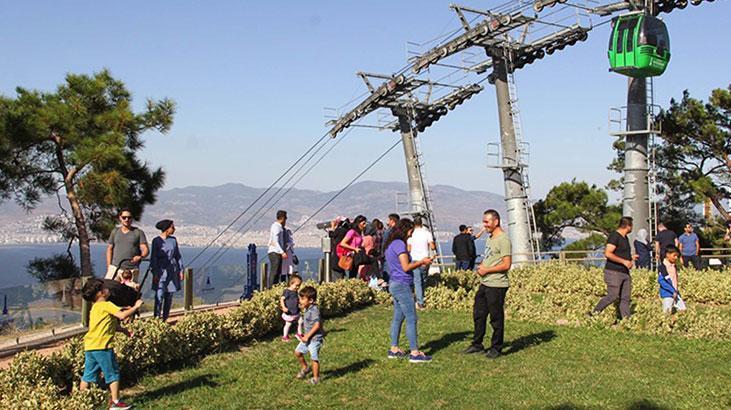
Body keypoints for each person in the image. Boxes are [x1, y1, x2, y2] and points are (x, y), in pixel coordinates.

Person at [80, 278, 144, 410]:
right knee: (113, 373)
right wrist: (136, 306)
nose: (108, 289)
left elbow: (109, 324)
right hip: (103, 347)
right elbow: (122, 316)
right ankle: (115, 402)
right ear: (100, 293)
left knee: (88, 374)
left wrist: (124, 330)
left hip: (91, 346)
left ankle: (81, 400)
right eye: (105, 288)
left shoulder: (95, 308)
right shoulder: (107, 305)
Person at [464, 210, 512, 359]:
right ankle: (477, 344)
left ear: (496, 221)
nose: (484, 225)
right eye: (483, 222)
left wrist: (487, 270)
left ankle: (496, 347)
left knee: (496, 318)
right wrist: (482, 267)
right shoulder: (490, 238)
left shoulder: (503, 239)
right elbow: (491, 258)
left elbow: (506, 264)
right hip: (485, 283)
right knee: (479, 314)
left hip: (497, 285)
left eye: (486, 222)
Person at [385, 218, 433, 363]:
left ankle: (394, 348)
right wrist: (421, 262)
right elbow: (406, 267)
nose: (411, 234)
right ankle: (415, 353)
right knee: (412, 318)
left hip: (394, 283)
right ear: (405, 229)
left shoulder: (391, 244)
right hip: (402, 285)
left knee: (398, 317)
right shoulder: (400, 244)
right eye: (410, 231)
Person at [589, 216, 635, 320]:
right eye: (631, 225)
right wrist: (624, 261)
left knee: (625, 298)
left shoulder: (625, 238)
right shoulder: (615, 236)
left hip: (625, 272)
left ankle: (626, 320)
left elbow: (620, 253)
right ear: (628, 226)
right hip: (614, 272)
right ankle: (594, 313)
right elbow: (608, 253)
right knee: (613, 296)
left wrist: (630, 258)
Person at [150, 219, 184, 321]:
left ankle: (165, 318)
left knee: (169, 296)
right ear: (167, 228)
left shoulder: (173, 240)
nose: (174, 229)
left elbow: (177, 255)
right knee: (159, 295)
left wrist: (181, 269)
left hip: (172, 270)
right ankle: (156, 318)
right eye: (172, 227)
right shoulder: (156, 241)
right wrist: (155, 272)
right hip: (161, 271)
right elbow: (153, 257)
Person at [106, 208, 148, 280]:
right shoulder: (115, 232)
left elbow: (145, 249)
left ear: (132, 219)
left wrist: (141, 256)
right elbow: (109, 249)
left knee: (130, 290)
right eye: (124, 217)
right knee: (108, 288)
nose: (126, 219)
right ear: (120, 218)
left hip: (131, 269)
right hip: (115, 268)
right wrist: (109, 267)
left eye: (129, 217)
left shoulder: (138, 232)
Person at [294, 285, 324, 384]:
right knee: (298, 352)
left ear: (311, 300)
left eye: (302, 299)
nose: (300, 301)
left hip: (314, 339)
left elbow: (317, 324)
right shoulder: (307, 308)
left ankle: (316, 378)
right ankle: (305, 368)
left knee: (314, 358)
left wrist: (307, 336)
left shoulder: (314, 310)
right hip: (307, 339)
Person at [407, 216, 435, 309]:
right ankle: (421, 298)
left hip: (414, 260)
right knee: (423, 280)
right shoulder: (427, 233)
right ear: (422, 223)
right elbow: (432, 246)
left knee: (417, 281)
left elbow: (409, 248)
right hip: (425, 259)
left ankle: (420, 301)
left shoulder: (411, 234)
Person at [658, 245, 687, 313]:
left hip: (676, 293)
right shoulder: (662, 267)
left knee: (683, 309)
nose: (676, 258)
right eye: (674, 255)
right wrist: (672, 290)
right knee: (667, 312)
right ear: (667, 255)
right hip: (667, 293)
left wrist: (676, 291)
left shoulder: (674, 266)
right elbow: (662, 281)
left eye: (677, 256)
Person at [337, 215, 367, 279]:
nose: (365, 225)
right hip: (350, 256)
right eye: (363, 223)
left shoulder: (359, 233)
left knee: (354, 274)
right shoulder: (352, 232)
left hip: (356, 256)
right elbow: (343, 243)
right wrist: (354, 248)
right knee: (351, 274)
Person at [267, 210, 289, 287]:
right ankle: (271, 287)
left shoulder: (280, 228)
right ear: (282, 218)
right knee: (275, 271)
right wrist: (282, 252)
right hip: (275, 252)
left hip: (277, 251)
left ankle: (275, 286)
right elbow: (275, 241)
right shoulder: (276, 227)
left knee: (278, 271)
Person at [280, 274, 303, 341]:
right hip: (289, 312)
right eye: (297, 285)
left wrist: (300, 304)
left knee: (300, 321)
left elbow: (297, 299)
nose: (298, 287)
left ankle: (299, 333)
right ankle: (285, 336)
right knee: (288, 324)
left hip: (296, 310)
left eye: (299, 285)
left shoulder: (295, 291)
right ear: (291, 283)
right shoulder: (287, 291)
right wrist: (284, 307)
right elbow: (282, 299)